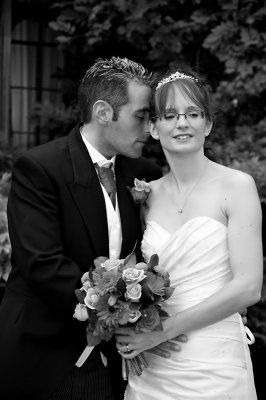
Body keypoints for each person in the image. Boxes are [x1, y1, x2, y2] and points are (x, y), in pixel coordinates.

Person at [0, 56, 170, 400]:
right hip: (49, 350)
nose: (150, 129)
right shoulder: (39, 168)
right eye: (141, 116)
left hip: (125, 356)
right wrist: (120, 312)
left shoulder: (145, 172)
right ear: (104, 112)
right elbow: (42, 264)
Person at [116, 69, 263, 399]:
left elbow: (249, 287)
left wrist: (162, 332)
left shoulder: (237, 187)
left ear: (207, 124)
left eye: (193, 114)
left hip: (215, 363)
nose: (182, 123)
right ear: (153, 127)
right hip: (153, 364)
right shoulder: (145, 195)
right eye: (170, 115)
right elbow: (135, 272)